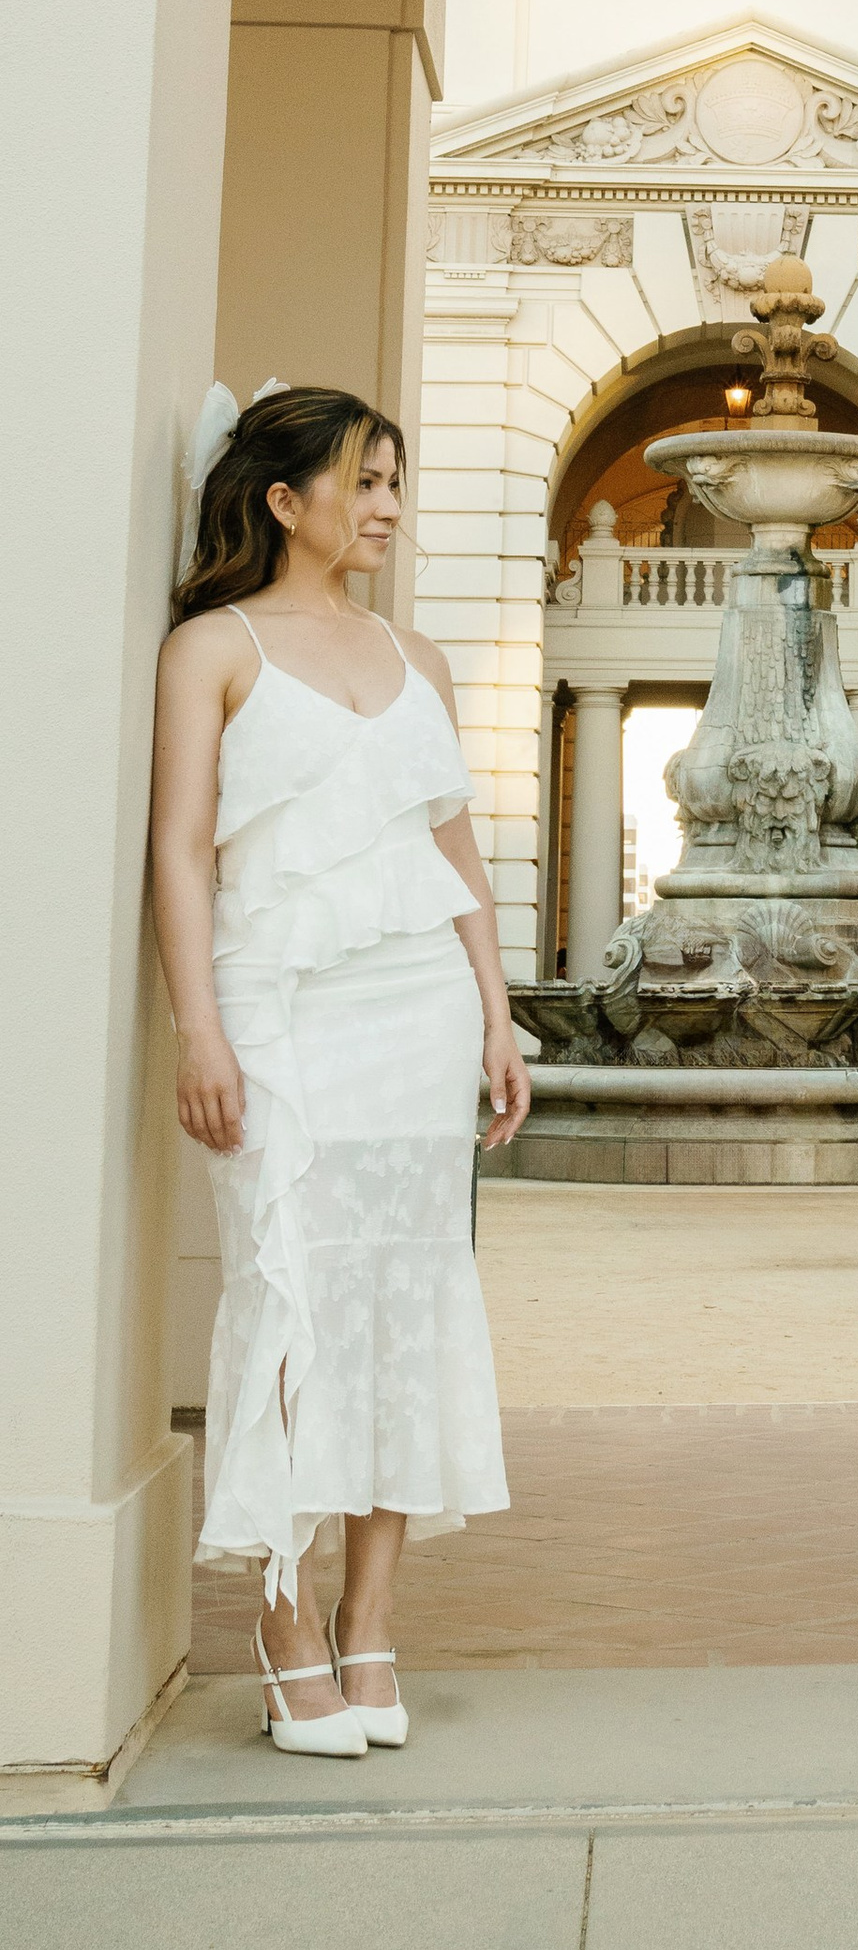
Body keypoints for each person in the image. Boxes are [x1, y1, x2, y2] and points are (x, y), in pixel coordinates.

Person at [151, 385, 529, 1755]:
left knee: (405, 1298)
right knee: (291, 1294)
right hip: (276, 1005)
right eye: (361, 482)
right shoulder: (214, 649)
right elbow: (181, 852)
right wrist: (202, 1027)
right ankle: (281, 1612)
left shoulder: (415, 656)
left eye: (393, 484)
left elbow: (455, 851)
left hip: (416, 1010)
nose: (383, 508)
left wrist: (497, 1014)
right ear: (281, 497)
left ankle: (373, 1621)